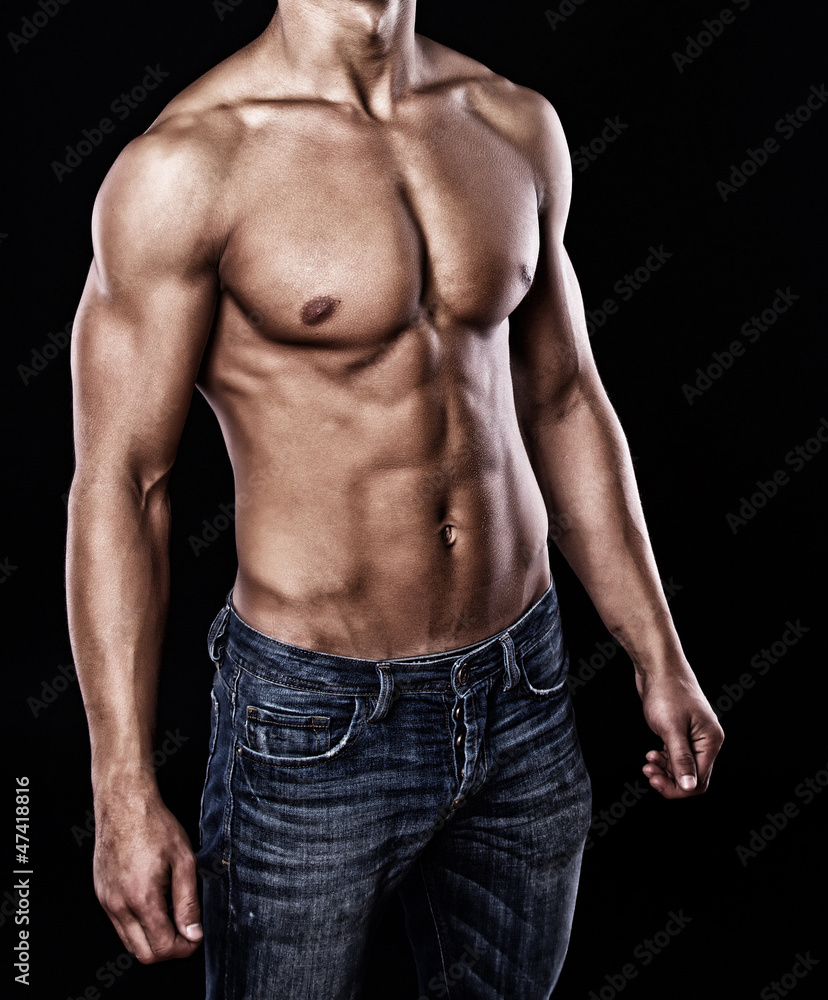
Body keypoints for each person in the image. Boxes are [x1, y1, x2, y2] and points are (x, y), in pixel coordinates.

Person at [65, 1, 724, 997]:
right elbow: (124, 482)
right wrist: (120, 786)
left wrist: (656, 652)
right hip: (314, 722)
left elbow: (560, 399)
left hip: (523, 693)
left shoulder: (509, 122)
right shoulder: (188, 166)